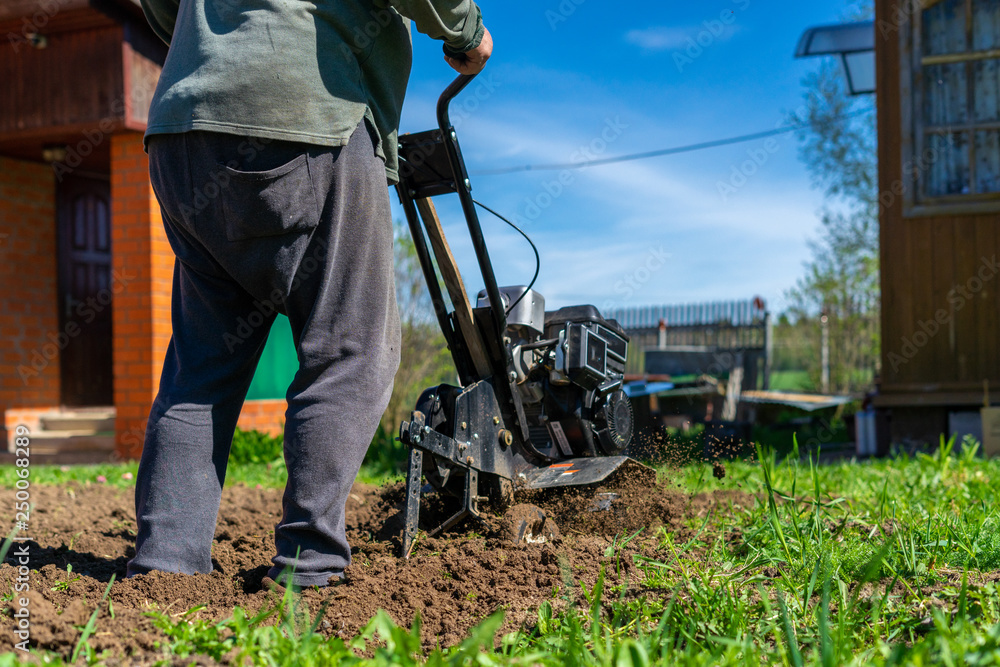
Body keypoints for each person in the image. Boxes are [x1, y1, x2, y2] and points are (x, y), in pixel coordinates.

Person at [127, 0, 493, 588]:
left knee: (202, 366)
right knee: (351, 351)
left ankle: (166, 564)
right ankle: (309, 562)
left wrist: (218, 33)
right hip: (307, 115)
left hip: (183, 133)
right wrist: (466, 33)